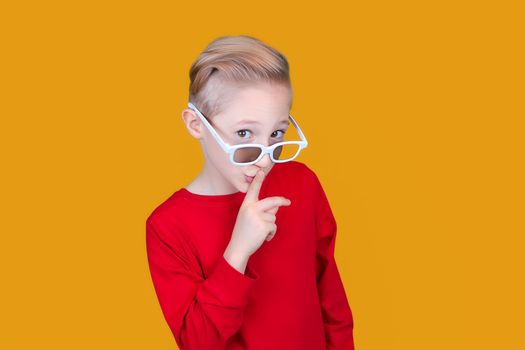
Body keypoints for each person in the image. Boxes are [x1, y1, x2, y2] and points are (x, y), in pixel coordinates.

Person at [145, 34, 355, 349]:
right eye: (244, 133)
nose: (266, 157)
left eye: (277, 134)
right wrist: (238, 250)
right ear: (196, 124)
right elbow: (197, 342)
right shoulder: (167, 226)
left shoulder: (303, 184)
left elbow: (331, 299)